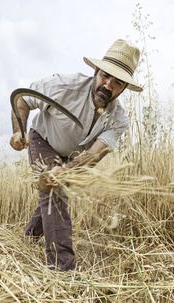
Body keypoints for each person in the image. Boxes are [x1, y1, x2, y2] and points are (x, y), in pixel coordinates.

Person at [10, 39, 143, 271]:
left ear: (124, 88)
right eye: (104, 77)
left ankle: (29, 236)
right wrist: (17, 132)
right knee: (55, 192)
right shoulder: (63, 86)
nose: (107, 86)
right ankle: (63, 270)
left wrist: (68, 169)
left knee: (53, 190)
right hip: (43, 139)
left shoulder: (118, 120)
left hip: (74, 156)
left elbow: (94, 153)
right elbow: (22, 99)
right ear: (95, 71)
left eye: (117, 83)